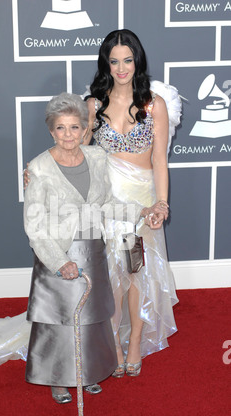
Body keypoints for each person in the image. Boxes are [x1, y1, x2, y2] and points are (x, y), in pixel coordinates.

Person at [23, 92, 167, 404]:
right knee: (59, 319)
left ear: (84, 128)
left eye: (75, 128)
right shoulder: (39, 168)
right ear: (51, 131)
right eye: (61, 128)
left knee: (91, 315)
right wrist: (59, 262)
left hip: (92, 248)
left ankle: (86, 371)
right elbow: (35, 227)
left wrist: (139, 211)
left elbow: (105, 204)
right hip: (59, 253)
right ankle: (58, 378)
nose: (68, 135)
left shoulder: (96, 158)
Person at [83, 29, 179, 377]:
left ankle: (135, 341)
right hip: (108, 203)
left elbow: (159, 161)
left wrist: (161, 204)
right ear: (105, 64)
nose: (122, 68)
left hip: (141, 203)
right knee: (112, 278)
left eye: (127, 59)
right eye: (114, 61)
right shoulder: (93, 105)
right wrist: (38, 170)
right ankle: (110, 342)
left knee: (137, 273)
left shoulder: (154, 104)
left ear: (137, 61)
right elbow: (73, 153)